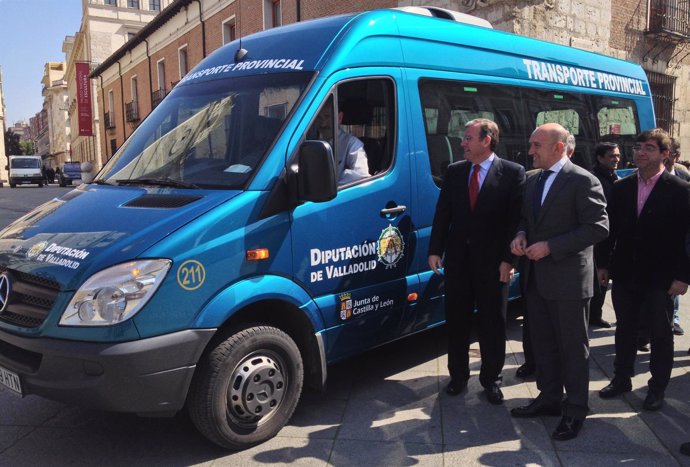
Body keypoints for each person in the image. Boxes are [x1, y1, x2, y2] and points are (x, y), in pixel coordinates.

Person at [509, 123, 608, 441]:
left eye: (537, 145)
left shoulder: (583, 180)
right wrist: (521, 235)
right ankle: (549, 398)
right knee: (543, 343)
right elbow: (526, 218)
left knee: (572, 347)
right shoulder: (532, 178)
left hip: (568, 282)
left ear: (560, 147)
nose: (530, 151)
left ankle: (576, 409)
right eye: (531, 144)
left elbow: (598, 228)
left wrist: (551, 246)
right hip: (536, 279)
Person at [428, 118, 525, 405]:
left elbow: (515, 221)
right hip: (458, 261)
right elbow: (443, 214)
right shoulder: (455, 172)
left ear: (487, 140)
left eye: (468, 138)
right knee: (456, 321)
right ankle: (457, 377)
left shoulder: (512, 173)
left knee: (492, 323)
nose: (462, 143)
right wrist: (435, 250)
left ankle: (491, 380)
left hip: (494, 264)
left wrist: (509, 260)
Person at [598, 128, 690, 412]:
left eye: (649, 148)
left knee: (660, 334)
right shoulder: (622, 187)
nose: (640, 152)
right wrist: (602, 264)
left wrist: (683, 276)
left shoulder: (680, 190)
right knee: (624, 329)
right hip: (625, 272)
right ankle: (621, 378)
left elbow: (688, 237)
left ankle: (657, 387)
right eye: (638, 147)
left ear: (665, 154)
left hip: (661, 277)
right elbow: (608, 230)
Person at [590, 142, 620, 329]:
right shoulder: (594, 179)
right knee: (597, 278)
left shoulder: (613, 176)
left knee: (603, 279)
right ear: (600, 158)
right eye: (611, 156)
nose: (616, 159)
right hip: (598, 237)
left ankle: (596, 314)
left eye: (617, 155)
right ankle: (592, 314)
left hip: (612, 235)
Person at [665, 137, 688, 337]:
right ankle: (644, 330)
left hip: (677, 244)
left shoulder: (683, 176)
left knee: (675, 286)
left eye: (669, 153)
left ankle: (674, 319)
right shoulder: (641, 177)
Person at [315, 104, 369, 184]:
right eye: (318, 118)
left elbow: (361, 176)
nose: (323, 124)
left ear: (339, 118)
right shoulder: (314, 145)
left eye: (327, 116)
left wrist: (334, 187)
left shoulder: (352, 144)